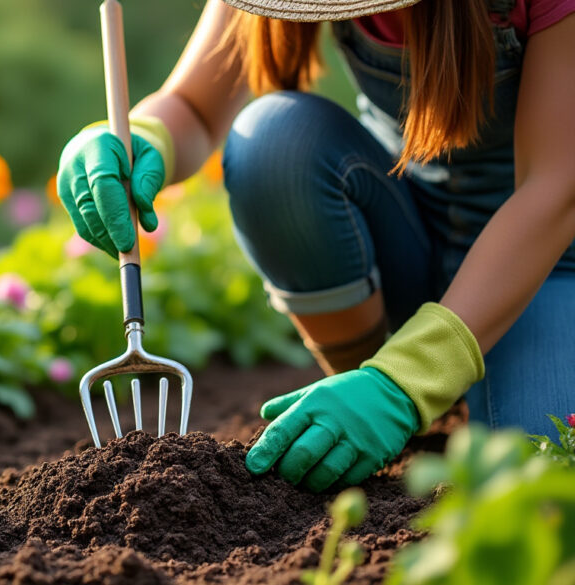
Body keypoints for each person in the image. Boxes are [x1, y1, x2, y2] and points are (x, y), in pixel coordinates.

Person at [56, 0, 575, 492]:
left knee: (543, 472)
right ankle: (371, 389)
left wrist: (409, 379)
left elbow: (556, 190)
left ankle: (407, 384)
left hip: (550, 260)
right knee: (275, 143)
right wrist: (147, 136)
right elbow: (194, 106)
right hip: (409, 227)